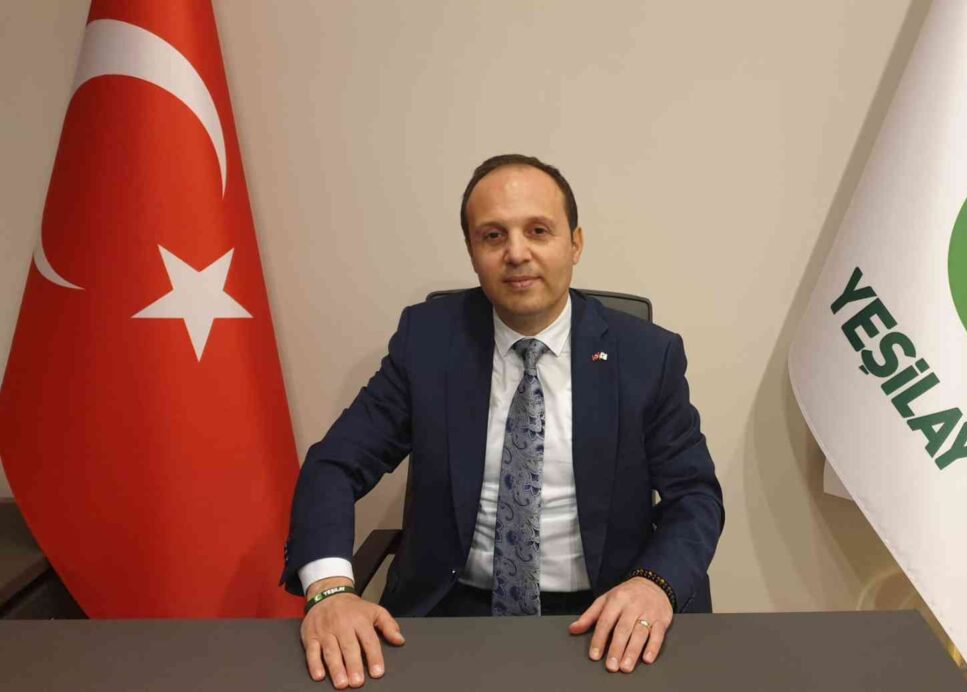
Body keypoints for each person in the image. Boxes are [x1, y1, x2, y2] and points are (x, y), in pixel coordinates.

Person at [280, 154, 725, 689]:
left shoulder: (646, 356)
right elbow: (334, 465)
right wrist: (329, 589)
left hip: (606, 612)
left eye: (538, 230)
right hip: (451, 615)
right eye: (493, 236)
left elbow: (695, 496)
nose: (517, 253)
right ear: (473, 253)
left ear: (575, 244)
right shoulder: (428, 342)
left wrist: (654, 585)